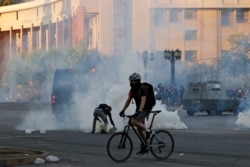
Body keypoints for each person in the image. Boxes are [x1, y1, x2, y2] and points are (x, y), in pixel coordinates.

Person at [119, 72, 154, 155]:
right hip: (139, 109)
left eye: (135, 81)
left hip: (145, 108)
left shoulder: (142, 88)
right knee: (139, 128)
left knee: (133, 121)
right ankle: (145, 146)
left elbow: (143, 100)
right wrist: (123, 110)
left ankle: (148, 131)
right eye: (132, 81)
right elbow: (128, 100)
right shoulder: (132, 90)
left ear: (138, 81)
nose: (133, 83)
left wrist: (140, 110)